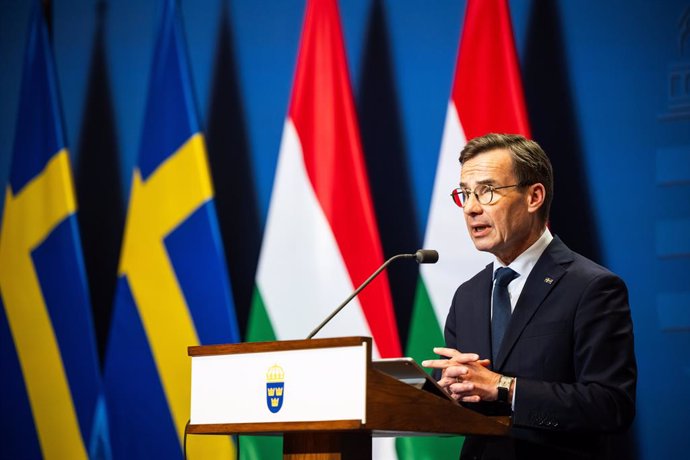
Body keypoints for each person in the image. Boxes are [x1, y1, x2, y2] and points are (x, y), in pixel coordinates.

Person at [422, 133, 636, 460]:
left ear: (534, 196)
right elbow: (463, 408)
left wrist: (504, 387)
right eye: (464, 194)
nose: (470, 208)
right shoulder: (467, 296)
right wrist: (450, 393)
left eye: (487, 191)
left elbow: (611, 406)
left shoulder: (592, 288)